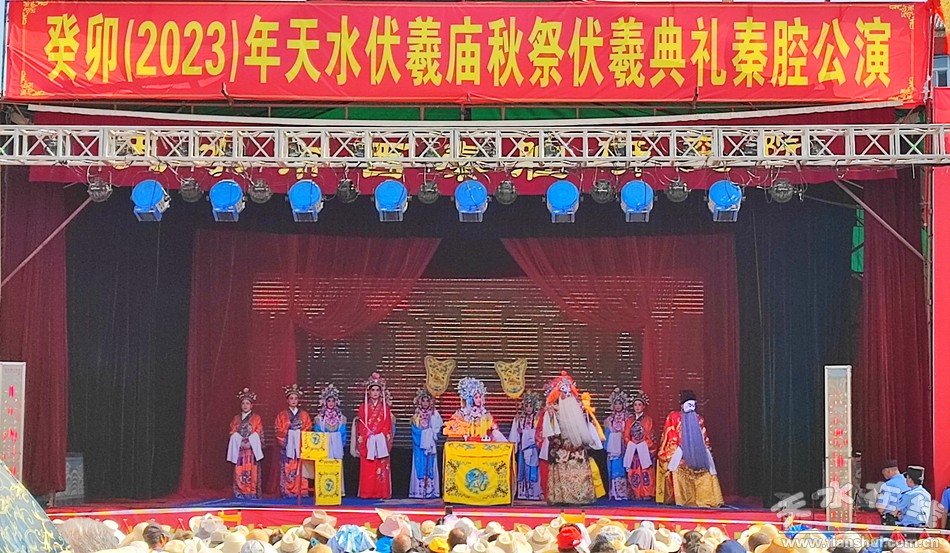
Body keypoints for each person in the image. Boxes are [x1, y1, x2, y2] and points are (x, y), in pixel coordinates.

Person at [538, 371, 602, 505]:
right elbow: (551, 433)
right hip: (561, 449)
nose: (566, 395)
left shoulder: (579, 408)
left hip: (576, 450)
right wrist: (559, 442)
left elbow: (586, 428)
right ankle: (563, 498)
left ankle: (581, 497)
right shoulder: (553, 410)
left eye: (568, 393)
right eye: (563, 392)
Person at [656, 390, 723, 507]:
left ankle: (707, 499)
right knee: (676, 467)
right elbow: (669, 437)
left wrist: (706, 453)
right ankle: (682, 499)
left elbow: (704, 439)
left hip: (698, 455)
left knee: (707, 470)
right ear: (682, 405)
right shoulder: (674, 417)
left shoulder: (699, 419)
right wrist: (677, 452)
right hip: (679, 454)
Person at [351, 371, 395, 498]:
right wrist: (369, 437)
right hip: (368, 441)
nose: (375, 392)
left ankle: (382, 492)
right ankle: (367, 493)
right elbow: (361, 427)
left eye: (377, 390)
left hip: (381, 442)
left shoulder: (385, 408)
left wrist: (380, 437)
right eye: (373, 390)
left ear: (381, 392)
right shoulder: (363, 408)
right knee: (368, 467)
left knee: (381, 466)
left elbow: (387, 426)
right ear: (368, 392)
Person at [275, 383, 313, 498]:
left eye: (295, 398)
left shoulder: (304, 415)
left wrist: (299, 436)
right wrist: (290, 436)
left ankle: (302, 490)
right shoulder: (282, 415)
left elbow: (308, 429)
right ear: (287, 400)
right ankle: (288, 491)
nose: (293, 400)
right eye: (291, 398)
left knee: (301, 469)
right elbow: (278, 430)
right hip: (288, 448)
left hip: (300, 447)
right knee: (288, 468)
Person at [227, 388, 264, 499]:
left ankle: (252, 492)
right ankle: (240, 492)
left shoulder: (256, 418)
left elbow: (258, 432)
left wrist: (250, 443)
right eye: (243, 403)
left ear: (251, 405)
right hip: (240, 450)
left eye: (247, 403)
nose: (245, 406)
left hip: (251, 451)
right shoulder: (236, 418)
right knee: (239, 470)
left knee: (253, 471)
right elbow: (232, 432)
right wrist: (240, 442)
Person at [443, 377, 507, 441]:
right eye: (476, 397)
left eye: (480, 397)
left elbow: (494, 429)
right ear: (469, 399)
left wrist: (493, 428)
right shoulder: (460, 414)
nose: (479, 400)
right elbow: (453, 429)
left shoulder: (486, 414)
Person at [313, 383, 348, 495]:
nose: (331, 403)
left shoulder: (341, 418)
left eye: (333, 401)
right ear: (325, 402)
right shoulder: (319, 418)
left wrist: (338, 442)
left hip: (336, 447)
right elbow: (317, 433)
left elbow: (343, 433)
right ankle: (323, 490)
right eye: (329, 401)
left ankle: (337, 490)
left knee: (337, 466)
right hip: (325, 448)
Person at [410, 388, 444, 499]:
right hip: (420, 447)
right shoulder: (416, 415)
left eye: (427, 401)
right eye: (423, 400)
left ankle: (431, 491)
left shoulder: (434, 414)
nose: (425, 403)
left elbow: (438, 429)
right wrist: (425, 434)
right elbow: (415, 431)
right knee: (419, 465)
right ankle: (419, 491)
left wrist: (432, 432)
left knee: (430, 466)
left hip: (430, 447)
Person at [509, 392, 543, 500]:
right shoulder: (520, 418)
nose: (528, 408)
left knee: (533, 469)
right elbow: (514, 434)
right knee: (522, 470)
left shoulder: (537, 419)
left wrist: (524, 432)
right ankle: (523, 492)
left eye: (530, 406)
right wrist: (517, 427)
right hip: (523, 450)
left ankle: (534, 493)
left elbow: (538, 433)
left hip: (533, 449)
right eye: (526, 406)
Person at [623, 390, 656, 500]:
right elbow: (626, 435)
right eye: (635, 405)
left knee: (645, 471)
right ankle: (635, 493)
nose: (637, 407)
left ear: (643, 406)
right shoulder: (629, 420)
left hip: (644, 449)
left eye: (639, 405)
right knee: (634, 471)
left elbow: (650, 436)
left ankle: (646, 493)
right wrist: (631, 444)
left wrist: (643, 445)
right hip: (633, 450)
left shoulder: (648, 420)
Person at [603, 388, 631, 500]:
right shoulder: (609, 419)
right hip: (613, 449)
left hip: (624, 448)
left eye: (620, 403)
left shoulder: (628, 418)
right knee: (614, 469)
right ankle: (614, 492)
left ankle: (623, 492)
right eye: (616, 404)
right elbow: (606, 435)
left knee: (623, 469)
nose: (618, 406)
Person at [895, 465, 932, 531]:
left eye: (907, 478)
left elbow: (895, 510)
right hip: (923, 529)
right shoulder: (927, 494)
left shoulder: (908, 495)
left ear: (910, 480)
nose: (906, 480)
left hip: (910, 530)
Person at [876, 459, 908, 526]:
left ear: (888, 471)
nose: (883, 475)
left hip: (892, 523)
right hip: (907, 522)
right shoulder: (909, 484)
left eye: (883, 473)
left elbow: (881, 508)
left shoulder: (887, 485)